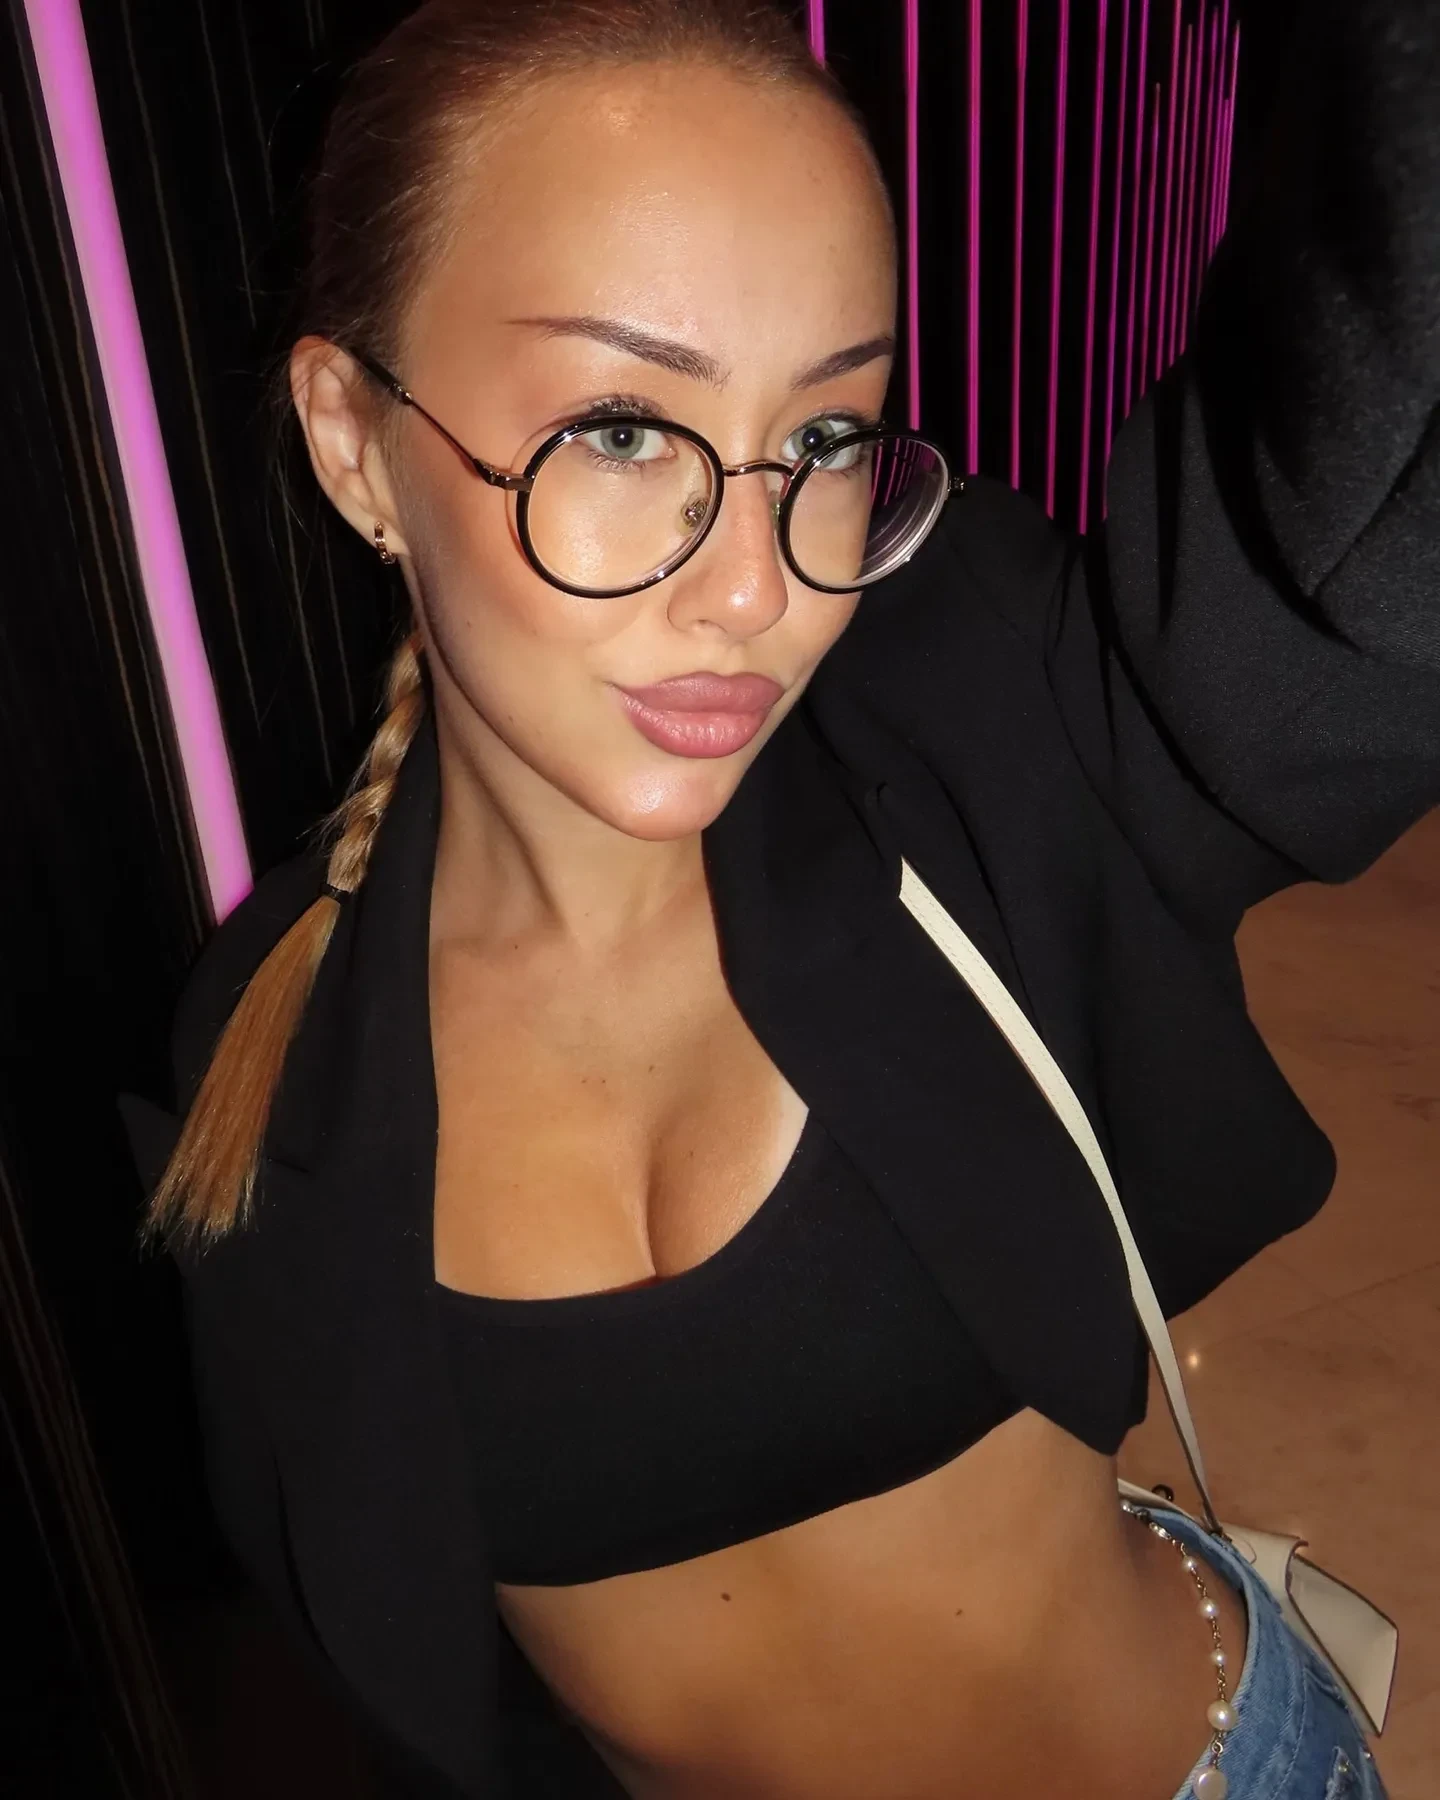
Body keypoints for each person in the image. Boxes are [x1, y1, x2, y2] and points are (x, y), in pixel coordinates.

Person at [120, 0, 1438, 1794]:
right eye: (621, 431)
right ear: (354, 440)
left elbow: (1356, 580)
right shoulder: (260, 1056)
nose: (757, 587)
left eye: (824, 438)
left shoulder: (970, 717)